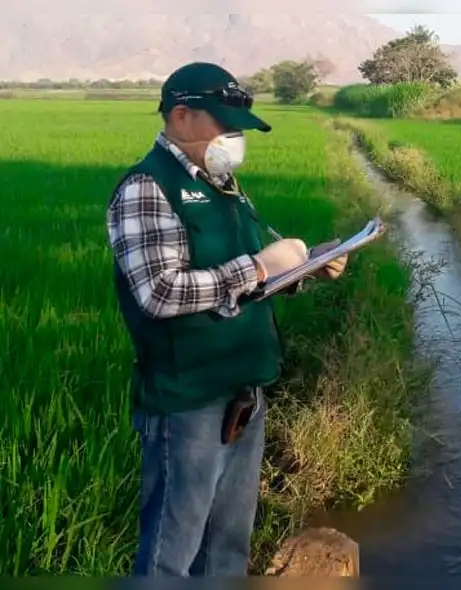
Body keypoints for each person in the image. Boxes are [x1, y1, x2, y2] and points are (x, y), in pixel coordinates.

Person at [105, 61, 348, 577]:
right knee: (170, 556)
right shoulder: (147, 188)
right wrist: (262, 264)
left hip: (244, 392)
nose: (233, 137)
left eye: (238, 126)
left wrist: (306, 268)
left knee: (227, 551)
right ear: (181, 116)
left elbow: (245, 280)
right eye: (223, 123)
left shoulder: (224, 183)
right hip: (187, 401)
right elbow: (158, 292)